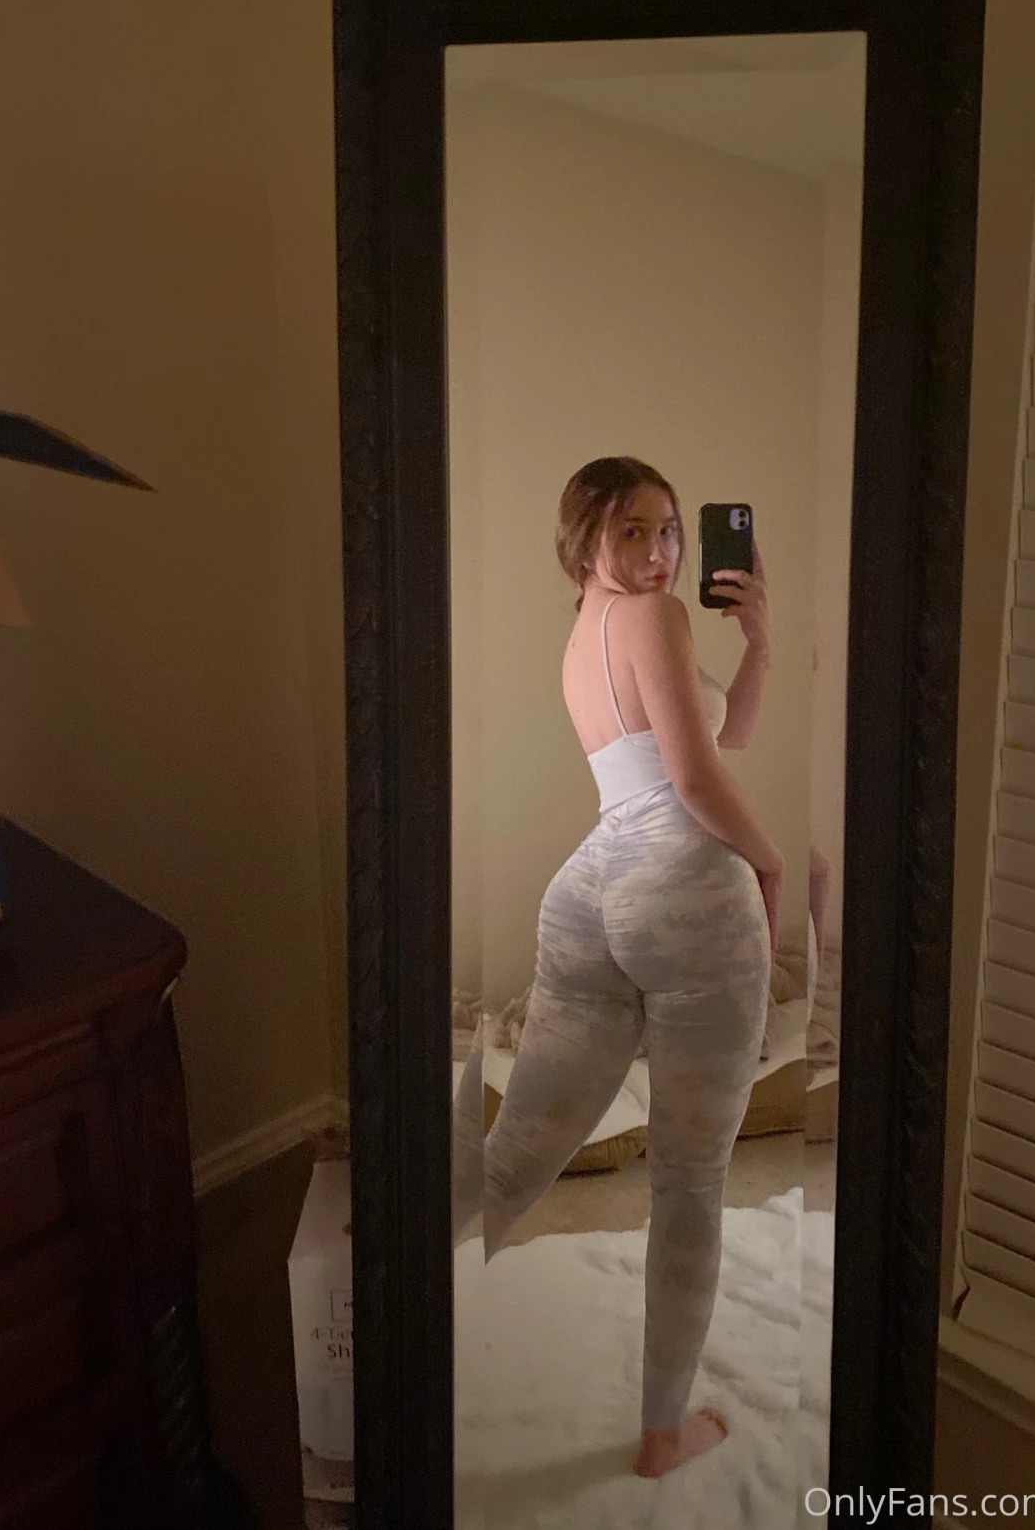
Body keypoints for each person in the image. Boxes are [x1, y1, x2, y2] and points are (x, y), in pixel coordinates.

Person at [451, 455, 783, 1479]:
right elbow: (695, 779)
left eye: (670, 529)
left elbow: (726, 730)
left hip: (590, 888)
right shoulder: (658, 617)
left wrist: (759, 643)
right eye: (631, 529)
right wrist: (769, 862)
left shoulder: (586, 633)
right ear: (582, 538)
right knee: (688, 1177)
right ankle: (660, 1437)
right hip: (682, 889)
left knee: (515, 1150)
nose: (659, 550)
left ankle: (376, 1306)